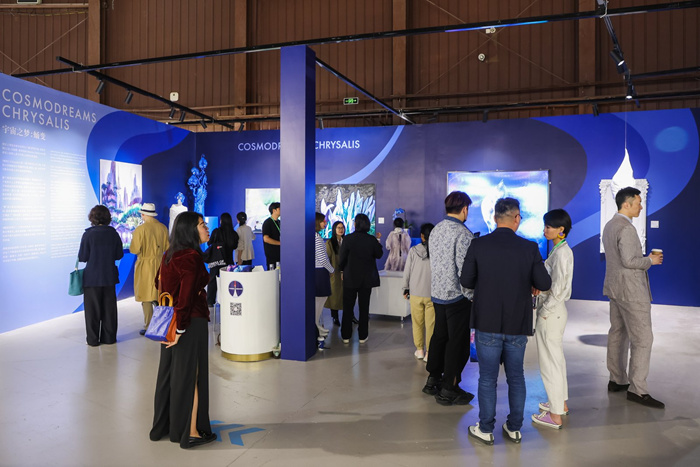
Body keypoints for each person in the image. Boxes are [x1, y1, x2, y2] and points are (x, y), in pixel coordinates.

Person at [460, 197, 551, 445]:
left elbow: (466, 280)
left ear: (494, 217)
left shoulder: (478, 245)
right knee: (516, 377)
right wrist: (530, 282)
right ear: (516, 218)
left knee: (487, 379)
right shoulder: (529, 247)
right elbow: (544, 283)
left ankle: (485, 429)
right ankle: (514, 428)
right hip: (517, 323)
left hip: (486, 322)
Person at [149, 212, 217, 449]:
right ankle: (191, 432)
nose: (206, 228)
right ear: (190, 230)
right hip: (188, 322)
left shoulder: (170, 254)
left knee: (170, 374)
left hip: (168, 321)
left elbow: (159, 284)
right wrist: (180, 329)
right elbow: (186, 298)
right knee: (191, 376)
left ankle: (166, 426)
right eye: (202, 225)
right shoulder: (191, 257)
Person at [602, 187, 664, 408]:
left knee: (618, 333)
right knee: (643, 339)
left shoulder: (610, 225)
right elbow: (630, 261)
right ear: (626, 204)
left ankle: (617, 379)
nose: (641, 206)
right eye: (638, 202)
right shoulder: (626, 228)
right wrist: (650, 261)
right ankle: (638, 390)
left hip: (615, 288)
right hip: (631, 291)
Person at [423, 191, 475, 407]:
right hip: (457, 296)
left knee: (439, 336)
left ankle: (432, 379)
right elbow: (465, 271)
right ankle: (449, 388)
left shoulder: (436, 229)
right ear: (464, 209)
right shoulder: (463, 234)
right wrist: (471, 296)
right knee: (457, 342)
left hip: (438, 294)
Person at [532, 209, 574, 429]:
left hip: (551, 313)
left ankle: (555, 415)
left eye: (548, 226)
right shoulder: (559, 251)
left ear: (561, 230)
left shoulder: (562, 254)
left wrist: (544, 310)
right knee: (556, 361)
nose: (544, 230)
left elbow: (558, 290)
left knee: (550, 364)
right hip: (554, 312)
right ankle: (560, 404)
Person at [78, 205, 124, 346]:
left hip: (92, 278)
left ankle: (93, 340)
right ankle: (109, 338)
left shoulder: (88, 235)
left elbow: (82, 257)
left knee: (92, 311)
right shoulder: (113, 234)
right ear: (108, 217)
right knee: (109, 310)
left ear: (92, 217)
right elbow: (119, 255)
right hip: (109, 276)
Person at [339, 213, 383, 344]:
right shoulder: (371, 239)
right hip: (366, 279)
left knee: (348, 307)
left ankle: (346, 335)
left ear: (355, 224)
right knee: (364, 308)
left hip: (350, 277)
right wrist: (378, 241)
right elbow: (379, 254)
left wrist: (342, 270)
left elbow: (342, 258)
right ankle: (363, 336)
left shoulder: (348, 239)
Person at [130, 203, 169, 336]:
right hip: (160, 263)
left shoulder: (140, 229)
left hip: (145, 265)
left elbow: (134, 249)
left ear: (143, 214)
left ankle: (149, 326)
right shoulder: (163, 228)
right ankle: (162, 324)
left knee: (146, 296)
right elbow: (167, 247)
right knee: (159, 293)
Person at [402, 223, 435, 361]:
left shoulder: (413, 251)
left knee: (417, 323)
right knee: (431, 325)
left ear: (422, 236)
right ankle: (429, 353)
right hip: (432, 293)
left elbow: (407, 271)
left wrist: (405, 288)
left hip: (415, 292)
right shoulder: (437, 251)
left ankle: (420, 350)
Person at [205, 212, 239, 306]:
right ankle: (227, 300)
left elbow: (209, 243)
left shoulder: (216, 231)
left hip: (217, 260)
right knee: (228, 281)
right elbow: (235, 246)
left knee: (212, 280)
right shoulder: (234, 234)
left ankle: (210, 301)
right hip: (228, 261)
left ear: (221, 221)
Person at [314, 213, 334, 347]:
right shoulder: (316, 238)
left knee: (320, 301)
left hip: (320, 271)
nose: (325, 223)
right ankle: (315, 326)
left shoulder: (316, 236)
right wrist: (332, 270)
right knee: (319, 301)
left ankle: (317, 326)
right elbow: (322, 258)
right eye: (323, 221)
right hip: (320, 271)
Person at [324, 221, 345, 326]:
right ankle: (335, 316)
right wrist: (330, 270)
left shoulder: (346, 241)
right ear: (334, 229)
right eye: (338, 228)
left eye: (342, 227)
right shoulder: (330, 243)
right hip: (334, 272)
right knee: (334, 295)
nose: (340, 230)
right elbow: (326, 258)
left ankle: (350, 316)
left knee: (346, 295)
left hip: (345, 271)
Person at [262, 202, 281, 270]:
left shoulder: (280, 222)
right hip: (272, 254)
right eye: (280, 209)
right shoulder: (267, 223)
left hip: (280, 254)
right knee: (272, 273)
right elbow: (266, 239)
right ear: (274, 210)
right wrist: (280, 243)